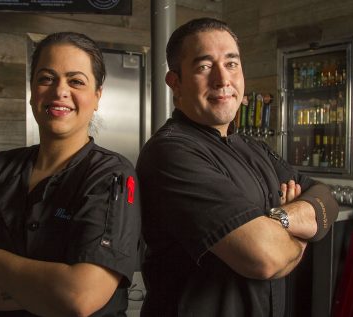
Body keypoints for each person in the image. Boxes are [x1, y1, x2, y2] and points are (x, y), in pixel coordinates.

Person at [136, 17, 339, 317]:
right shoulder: (170, 153)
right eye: (204, 66)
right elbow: (265, 258)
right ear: (175, 83)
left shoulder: (252, 147)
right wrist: (300, 233)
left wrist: (278, 219)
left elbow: (326, 198)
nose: (222, 80)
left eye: (231, 64)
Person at [0, 32, 141, 317]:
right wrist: (45, 293)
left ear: (97, 96)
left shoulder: (111, 175)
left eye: (76, 81)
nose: (59, 91)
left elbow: (79, 296)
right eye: (46, 78)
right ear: (32, 91)